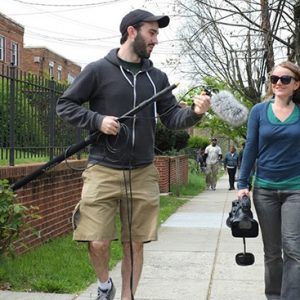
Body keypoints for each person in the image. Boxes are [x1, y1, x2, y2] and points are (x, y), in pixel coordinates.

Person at [56, 9, 211, 300]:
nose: (155, 40)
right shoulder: (98, 70)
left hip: (142, 171)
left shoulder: (157, 77)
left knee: (134, 244)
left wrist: (194, 113)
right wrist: (97, 120)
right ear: (131, 31)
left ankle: (128, 297)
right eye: (151, 33)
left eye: (156, 34)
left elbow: (172, 117)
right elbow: (65, 105)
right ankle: (105, 286)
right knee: (98, 242)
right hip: (103, 168)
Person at [238, 60, 300, 300]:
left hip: (296, 189)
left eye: (285, 79)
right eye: (274, 78)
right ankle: (273, 295)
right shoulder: (258, 111)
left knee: (294, 250)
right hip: (264, 190)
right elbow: (251, 147)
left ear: (296, 84)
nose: (278, 83)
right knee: (272, 251)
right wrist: (243, 184)